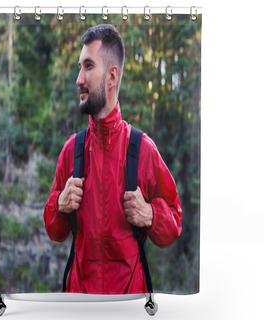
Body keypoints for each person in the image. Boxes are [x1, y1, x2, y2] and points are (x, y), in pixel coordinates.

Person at [44, 24, 183, 294]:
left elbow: (175, 222)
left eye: (88, 66)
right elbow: (55, 232)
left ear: (111, 76)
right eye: (79, 67)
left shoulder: (143, 149)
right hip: (79, 307)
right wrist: (60, 205)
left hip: (128, 306)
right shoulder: (72, 150)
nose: (78, 79)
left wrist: (151, 215)